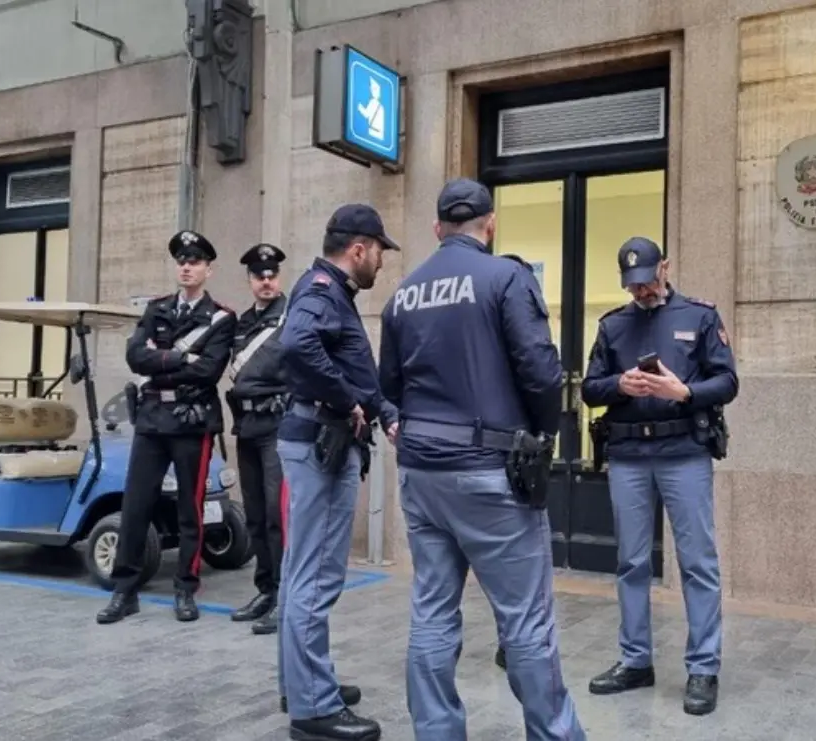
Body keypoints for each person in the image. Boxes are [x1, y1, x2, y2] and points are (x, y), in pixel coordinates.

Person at [379, 178, 586, 741]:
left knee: (432, 611)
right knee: (525, 621)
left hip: (423, 475)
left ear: (437, 228)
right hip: (491, 473)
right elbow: (542, 371)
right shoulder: (505, 277)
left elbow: (387, 386)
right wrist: (542, 441)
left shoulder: (404, 293)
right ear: (490, 225)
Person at [580, 236, 738, 716]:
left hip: (683, 453)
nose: (641, 291)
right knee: (631, 563)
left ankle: (703, 668)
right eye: (632, 285)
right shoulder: (612, 325)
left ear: (665, 267)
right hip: (628, 454)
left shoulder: (700, 316)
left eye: (648, 280)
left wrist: (684, 391)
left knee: (697, 563)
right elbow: (589, 388)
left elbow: (728, 381)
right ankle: (635, 661)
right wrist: (619, 385)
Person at [276, 203, 401, 740]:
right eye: (379, 251)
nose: (382, 262)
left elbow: (350, 366)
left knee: (299, 572)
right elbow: (296, 345)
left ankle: (301, 679)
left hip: (315, 438)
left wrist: (381, 410)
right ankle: (314, 707)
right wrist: (346, 399)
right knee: (317, 575)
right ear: (358, 248)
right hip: (321, 442)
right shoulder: (323, 291)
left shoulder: (327, 290)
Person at [97, 230, 236, 625]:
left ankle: (186, 588)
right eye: (181, 261)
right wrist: (181, 359)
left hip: (192, 422)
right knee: (135, 505)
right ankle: (125, 590)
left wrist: (161, 360)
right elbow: (134, 356)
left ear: (209, 269)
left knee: (191, 510)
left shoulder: (222, 318)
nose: (187, 267)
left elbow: (209, 371)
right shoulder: (156, 309)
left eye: (194, 262)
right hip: (153, 419)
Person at [228, 242, 290, 636]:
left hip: (277, 426)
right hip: (246, 426)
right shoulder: (243, 323)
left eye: (271, 275)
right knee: (254, 516)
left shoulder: (291, 316)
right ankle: (265, 590)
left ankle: (285, 598)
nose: (266, 282)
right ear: (250, 280)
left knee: (276, 517)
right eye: (258, 276)